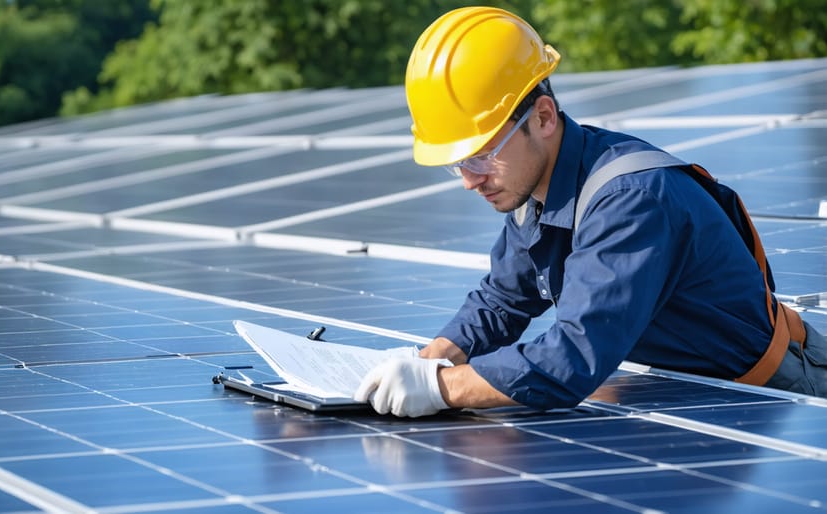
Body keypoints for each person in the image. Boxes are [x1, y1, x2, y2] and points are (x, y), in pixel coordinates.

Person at [354, 6, 826, 417]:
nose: (469, 180)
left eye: (479, 156)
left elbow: (574, 357)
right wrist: (430, 358)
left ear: (542, 117)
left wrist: (442, 387)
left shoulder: (630, 199)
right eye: (458, 163)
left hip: (774, 396)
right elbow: (504, 300)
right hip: (692, 390)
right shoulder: (533, 187)